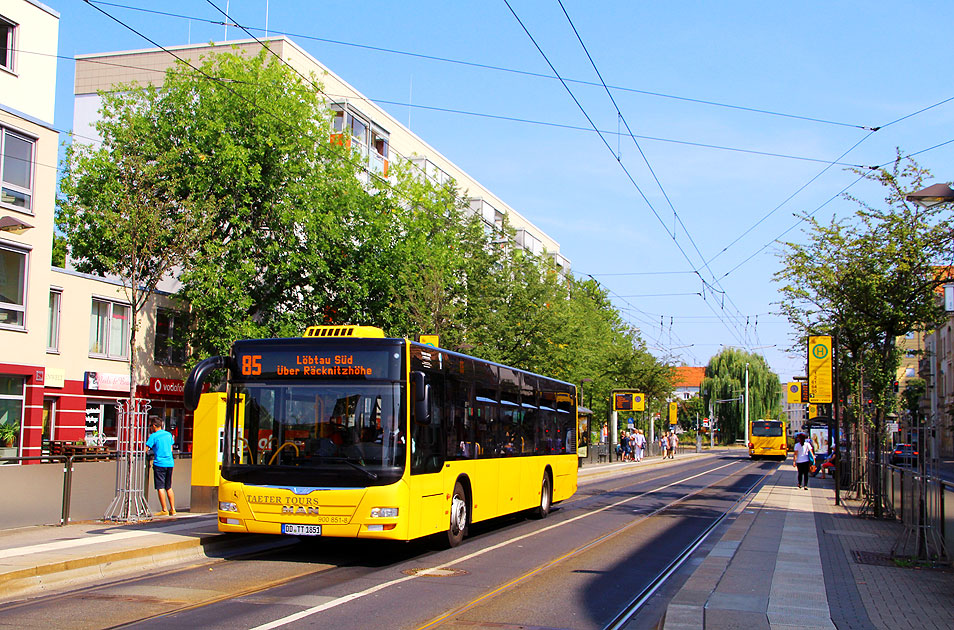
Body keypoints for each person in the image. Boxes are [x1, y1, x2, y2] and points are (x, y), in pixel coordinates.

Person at [146, 416, 176, 516]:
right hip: (170, 462)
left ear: (154, 426)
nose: (150, 428)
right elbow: (171, 449)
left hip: (159, 463)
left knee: (160, 487)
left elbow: (145, 449)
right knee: (169, 487)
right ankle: (173, 509)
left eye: (151, 426)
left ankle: (164, 509)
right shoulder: (168, 435)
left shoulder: (153, 436)